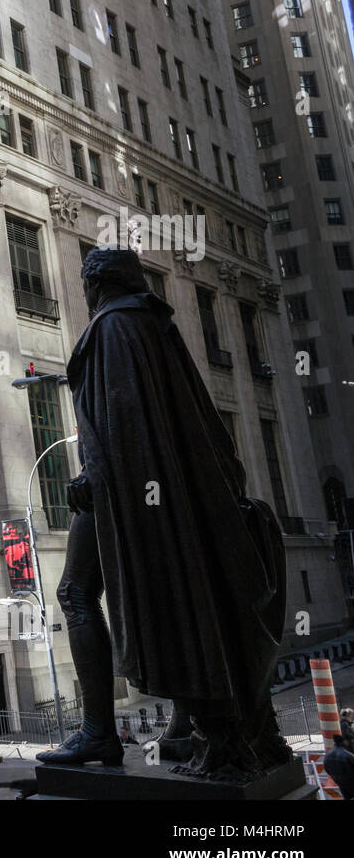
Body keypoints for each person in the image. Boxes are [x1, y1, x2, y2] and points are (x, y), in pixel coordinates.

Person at [39, 245, 289, 779]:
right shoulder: (156, 327)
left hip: (120, 488)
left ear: (96, 285)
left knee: (76, 593)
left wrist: (92, 477)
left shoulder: (111, 329)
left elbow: (125, 418)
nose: (83, 295)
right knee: (176, 593)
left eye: (86, 285)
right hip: (161, 492)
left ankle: (98, 733)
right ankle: (181, 724)